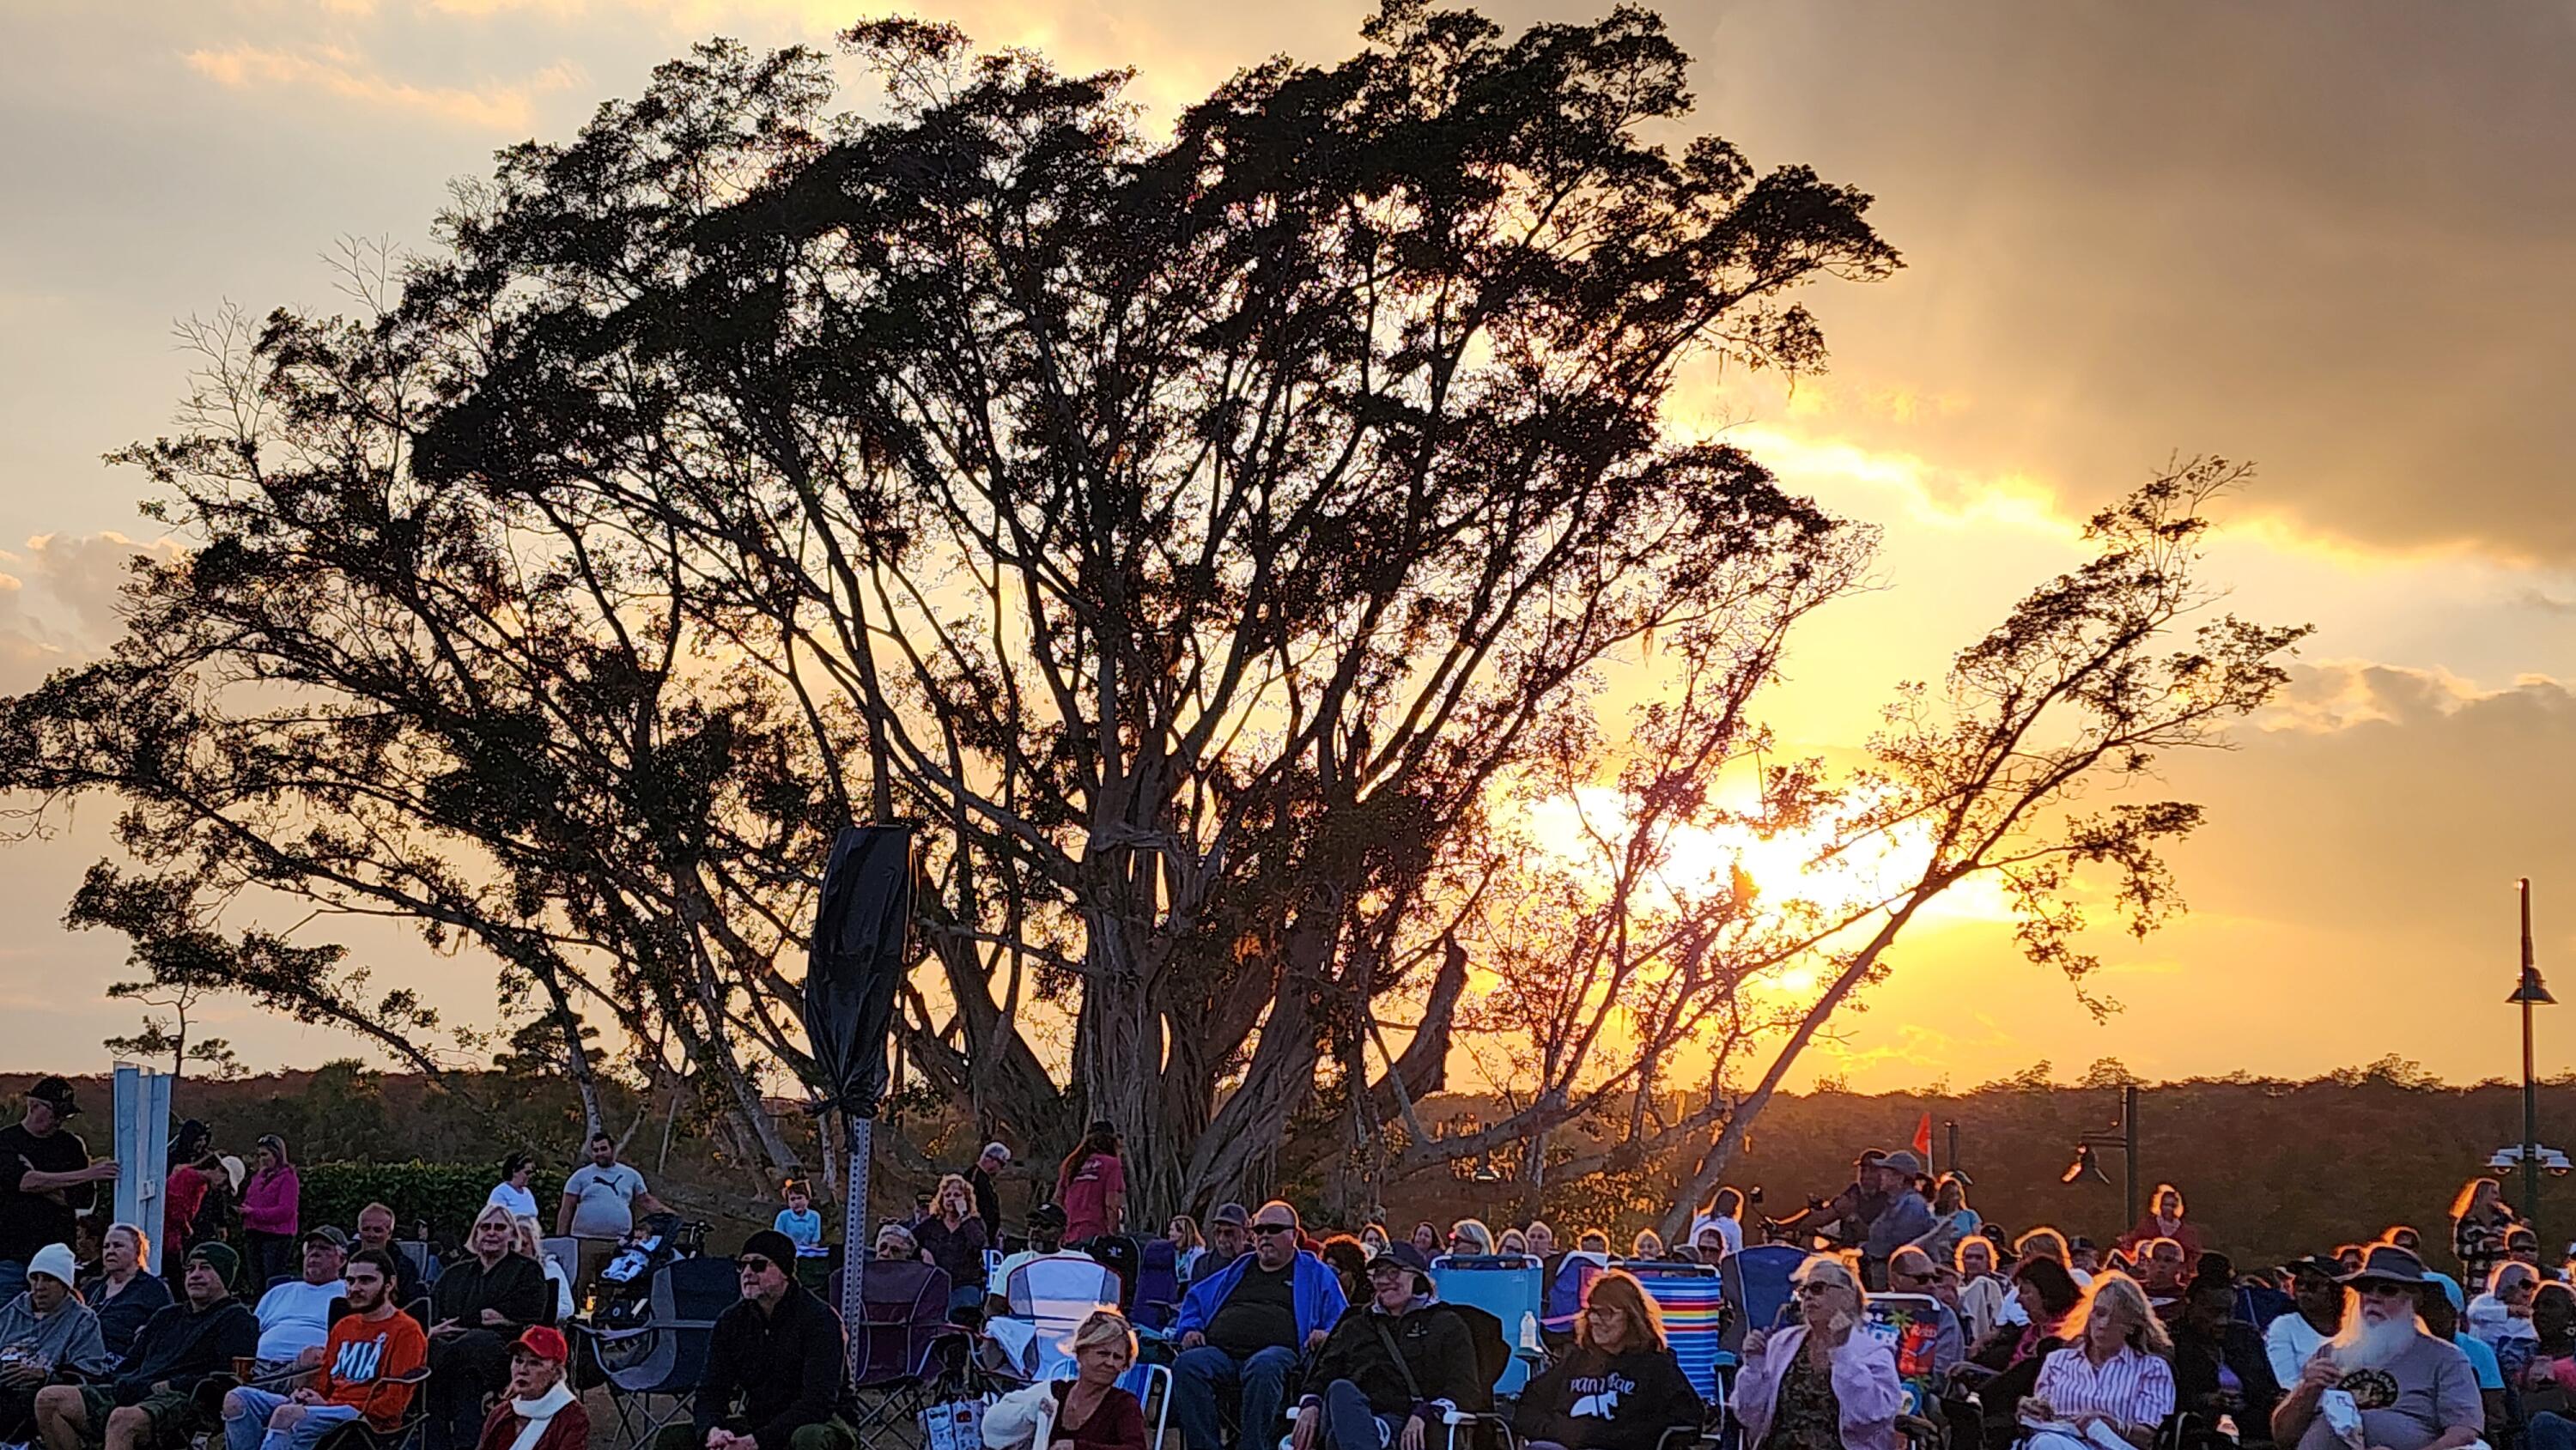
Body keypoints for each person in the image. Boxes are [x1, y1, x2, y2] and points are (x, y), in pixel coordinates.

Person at [33, 1241, 258, 1450]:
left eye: (206, 1268)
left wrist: (169, 1384)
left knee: (123, 1419)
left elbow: (228, 1379)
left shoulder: (237, 1319)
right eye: (190, 1269)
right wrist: (122, 1383)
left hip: (184, 1399)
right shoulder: (167, 1316)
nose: (195, 1275)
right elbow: (131, 1363)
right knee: (49, 1400)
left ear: (226, 1275)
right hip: (136, 1390)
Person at [653, 1229, 858, 1450]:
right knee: (672, 1438)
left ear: (785, 1272)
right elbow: (711, 1389)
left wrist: (755, 1442)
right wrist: (714, 1431)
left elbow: (818, 1403)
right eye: (743, 1265)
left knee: (809, 1437)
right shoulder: (732, 1321)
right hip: (760, 1420)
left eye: (759, 1265)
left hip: (824, 1422)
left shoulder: (819, 1319)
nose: (748, 1273)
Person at [1171, 1200, 1347, 1450]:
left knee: (1264, 1366)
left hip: (1280, 1355)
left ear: (1293, 1235)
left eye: (1273, 1229)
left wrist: (1325, 1333)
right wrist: (1191, 1328)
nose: (1264, 1236)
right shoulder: (1240, 1269)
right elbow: (1196, 1300)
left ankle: (1252, 1446)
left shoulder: (1315, 1273)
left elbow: (1341, 1321)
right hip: (1222, 1354)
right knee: (1188, 1364)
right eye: (1259, 1230)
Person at [2270, 1246, 2479, 1450]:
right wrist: (2306, 1389)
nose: (2373, 1297)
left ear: (2414, 1300)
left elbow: (2463, 1436)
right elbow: (2283, 1438)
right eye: (2365, 1288)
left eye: (2387, 1290)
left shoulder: (2444, 1358)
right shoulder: (2329, 1353)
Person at [222, 1247, 428, 1450]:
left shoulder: (406, 1331)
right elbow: (324, 1382)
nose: (355, 1288)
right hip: (328, 1407)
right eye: (350, 1280)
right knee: (237, 1399)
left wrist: (327, 1406)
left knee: (286, 1416)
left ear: (389, 1283)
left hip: (366, 1417)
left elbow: (393, 1404)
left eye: (366, 1280)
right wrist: (307, 1396)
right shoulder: (344, 1326)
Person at [1292, 1252, 1482, 1450]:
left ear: (1418, 1278)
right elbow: (1323, 1375)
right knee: (1340, 1390)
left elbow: (1466, 1390)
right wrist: (1310, 1404)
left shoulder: (1446, 1324)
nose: (1383, 1281)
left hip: (1411, 1424)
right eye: (1378, 1274)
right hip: (1353, 1412)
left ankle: (1378, 1432)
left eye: (1393, 1273)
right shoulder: (1355, 1324)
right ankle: (1374, 1433)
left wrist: (1425, 1413)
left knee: (1335, 1439)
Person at [1733, 1254, 1901, 1450]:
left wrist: (1842, 1353)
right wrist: (1754, 1365)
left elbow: (1872, 1416)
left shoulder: (1874, 1349)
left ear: (1847, 1297)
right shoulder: (1782, 1343)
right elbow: (1748, 1414)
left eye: (1818, 1288)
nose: (1809, 1297)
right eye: (1804, 1291)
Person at [426, 1204, 550, 1450]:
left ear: (512, 1235)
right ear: (475, 1234)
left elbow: (520, 1314)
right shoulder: (455, 1274)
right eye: (485, 1227)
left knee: (473, 1344)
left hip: (504, 1355)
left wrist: (462, 1322)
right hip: (455, 1358)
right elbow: (434, 1314)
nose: (491, 1233)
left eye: (499, 1227)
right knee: (451, 1368)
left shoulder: (526, 1271)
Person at [0, 1077, 118, 1308]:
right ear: (34, 1106)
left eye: (66, 1116)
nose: (60, 1121)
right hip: (11, 1255)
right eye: (56, 1113)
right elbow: (25, 1182)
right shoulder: (6, 1141)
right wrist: (89, 1173)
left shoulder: (71, 1146)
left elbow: (81, 1200)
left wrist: (42, 1182)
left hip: (57, 1257)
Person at [2022, 1273, 2176, 1450]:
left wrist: (2113, 1425)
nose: (2104, 1324)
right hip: (2061, 1440)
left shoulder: (2151, 1369)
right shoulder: (2058, 1361)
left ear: (2131, 1327)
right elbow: (2040, 1416)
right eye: (2099, 1313)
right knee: (2045, 1442)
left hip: (2115, 1446)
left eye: (2117, 1319)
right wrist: (2031, 1410)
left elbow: (2151, 1439)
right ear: (2089, 1315)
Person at [984, 1308, 1149, 1450]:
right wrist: (1031, 1412)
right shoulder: (1053, 1392)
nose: (1110, 1363)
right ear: (1081, 1353)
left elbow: (1136, 1449)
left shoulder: (1124, 1405)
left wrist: (1077, 1447)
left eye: (1118, 1357)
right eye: (1103, 1353)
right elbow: (992, 1427)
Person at [0, 1243, 114, 1438]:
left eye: (49, 1279)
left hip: (41, 1395)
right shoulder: (10, 1312)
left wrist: (44, 1375)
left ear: (64, 1285)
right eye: (35, 1278)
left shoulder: (83, 1321)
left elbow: (90, 1373)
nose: (39, 1286)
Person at [557, 1132, 665, 1292]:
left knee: (611, 1285)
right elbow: (567, 1208)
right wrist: (561, 1240)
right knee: (578, 1283)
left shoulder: (631, 1175)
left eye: (603, 1149)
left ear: (612, 1149)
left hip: (618, 1242)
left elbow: (646, 1201)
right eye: (595, 1150)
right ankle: (574, 1315)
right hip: (585, 1242)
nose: (599, 1153)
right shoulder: (580, 1176)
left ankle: (604, 1316)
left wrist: (670, 1215)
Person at [249, 1228, 349, 1374]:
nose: (314, 1253)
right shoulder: (278, 1292)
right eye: (310, 1248)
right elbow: (251, 1334)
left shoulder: (349, 1292)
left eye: (324, 1248)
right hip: (261, 1367)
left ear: (342, 1259)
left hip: (313, 1370)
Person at [470, 1327, 587, 1450]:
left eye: (534, 1363)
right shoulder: (500, 1413)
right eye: (518, 1361)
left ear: (556, 1372)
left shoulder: (571, 1416)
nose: (522, 1370)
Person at [2415, 1276, 2504, 1435]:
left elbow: (2495, 1413)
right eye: (2420, 1309)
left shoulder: (2477, 1351)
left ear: (2456, 1315)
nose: (2428, 1317)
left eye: (2437, 1308)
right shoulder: (2396, 1350)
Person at [913, 1174, 989, 1313]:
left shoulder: (975, 1223)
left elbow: (981, 1245)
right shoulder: (931, 1224)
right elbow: (909, 1241)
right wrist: (921, 1251)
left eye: (957, 1195)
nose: (951, 1198)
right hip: (934, 1284)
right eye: (947, 1195)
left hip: (966, 1285)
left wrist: (964, 1217)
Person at [2264, 1257, 2342, 1388]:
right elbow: (2286, 1383)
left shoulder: (2356, 1325)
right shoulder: (2284, 1326)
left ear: (2336, 1290)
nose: (2302, 1289)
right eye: (2298, 1283)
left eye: (2312, 1285)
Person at [1886, 1247, 1965, 1376]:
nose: (1931, 1285)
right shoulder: (1874, 1310)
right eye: (1922, 1279)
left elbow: (1943, 1370)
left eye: (1935, 1279)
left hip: (1923, 1388)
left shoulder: (1943, 1315)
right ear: (1896, 1279)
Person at [1861, 1152, 1933, 1293]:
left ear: (1899, 1178)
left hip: (1901, 1281)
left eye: (1885, 1173)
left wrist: (1868, 1249)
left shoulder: (1913, 1204)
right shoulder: (1894, 1204)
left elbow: (1902, 1243)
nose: (1880, 1177)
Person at [240, 1138, 302, 1289]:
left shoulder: (288, 1177)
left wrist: (254, 1213)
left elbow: (286, 1210)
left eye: (265, 1155)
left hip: (276, 1236)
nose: (262, 1159)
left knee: (272, 1280)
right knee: (256, 1281)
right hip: (254, 1233)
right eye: (260, 1155)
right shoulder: (259, 1176)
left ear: (277, 1155)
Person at [1054, 1124, 1126, 1247]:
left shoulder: (1071, 1164)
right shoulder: (1111, 1164)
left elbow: (1058, 1198)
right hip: (1095, 1232)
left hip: (1070, 1232)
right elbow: (1111, 1204)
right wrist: (1114, 1233)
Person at [349, 1204, 422, 1312]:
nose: (371, 1235)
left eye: (377, 1230)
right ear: (359, 1231)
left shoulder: (404, 1266)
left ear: (389, 1233)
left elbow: (412, 1304)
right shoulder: (343, 1258)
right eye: (366, 1229)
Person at [2453, 1180, 2517, 1296]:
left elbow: (2515, 1245)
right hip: (2477, 1279)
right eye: (2493, 1192)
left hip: (2501, 1276)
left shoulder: (2505, 1219)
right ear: (2482, 1194)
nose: (2497, 1196)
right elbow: (2460, 1251)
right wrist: (2483, 1246)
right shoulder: (2466, 1222)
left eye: (2497, 1192)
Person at [161, 1125, 213, 1262]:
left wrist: (220, 1220)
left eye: (203, 1140)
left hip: (201, 1217)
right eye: (198, 1140)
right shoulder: (174, 1159)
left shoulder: (207, 1161)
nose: (201, 1144)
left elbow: (215, 1194)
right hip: (179, 1221)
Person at [2117, 1185, 2206, 1264]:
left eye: (2172, 1205)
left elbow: (2195, 1255)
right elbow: (2131, 1242)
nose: (2169, 1209)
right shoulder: (2147, 1224)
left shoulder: (2188, 1232)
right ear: (2159, 1205)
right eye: (2165, 1204)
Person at [509, 1220, 574, 1325]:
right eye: (514, 1245)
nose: (518, 1249)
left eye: (524, 1244)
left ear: (533, 1246)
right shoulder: (502, 1272)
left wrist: (534, 1314)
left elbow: (567, 1308)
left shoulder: (550, 1268)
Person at [1911, 1175, 1979, 1267]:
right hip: (1940, 1259)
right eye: (1952, 1195)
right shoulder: (1933, 1216)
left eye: (1958, 1194)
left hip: (1964, 1258)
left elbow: (1978, 1239)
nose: (1956, 1198)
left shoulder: (1970, 1215)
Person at [1957, 1237, 2009, 1347]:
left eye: (1979, 1257)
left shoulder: (2003, 1283)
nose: (1973, 1261)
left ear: (1989, 1261)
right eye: (1969, 1257)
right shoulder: (1955, 1284)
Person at [967, 1144, 1011, 1243]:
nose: (1001, 1169)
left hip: (987, 1235)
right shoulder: (974, 1177)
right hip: (978, 1236)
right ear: (990, 1159)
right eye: (1001, 1164)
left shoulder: (984, 1179)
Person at [1686, 1189, 1746, 1260]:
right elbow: (1691, 1241)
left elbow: (1736, 1251)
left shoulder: (1733, 1227)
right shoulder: (1701, 1219)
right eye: (1725, 1200)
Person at [1200, 1205, 1252, 1279]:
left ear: (1246, 1234)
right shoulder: (1203, 1263)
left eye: (1229, 1233)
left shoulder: (1257, 1260)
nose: (1221, 1239)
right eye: (1218, 1232)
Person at [488, 1155, 540, 1222]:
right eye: (527, 1173)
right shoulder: (500, 1192)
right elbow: (495, 1218)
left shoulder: (527, 1193)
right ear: (514, 1171)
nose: (530, 1176)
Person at [774, 1184, 823, 1253]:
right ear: (788, 1203)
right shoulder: (783, 1216)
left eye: (799, 1198)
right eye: (792, 1199)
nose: (796, 1202)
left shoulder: (815, 1216)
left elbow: (815, 1242)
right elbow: (778, 1239)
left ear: (807, 1199)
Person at [1168, 1216, 1206, 1282]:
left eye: (1172, 1230)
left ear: (1182, 1233)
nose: (1169, 1233)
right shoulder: (1172, 1251)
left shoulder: (1197, 1253)